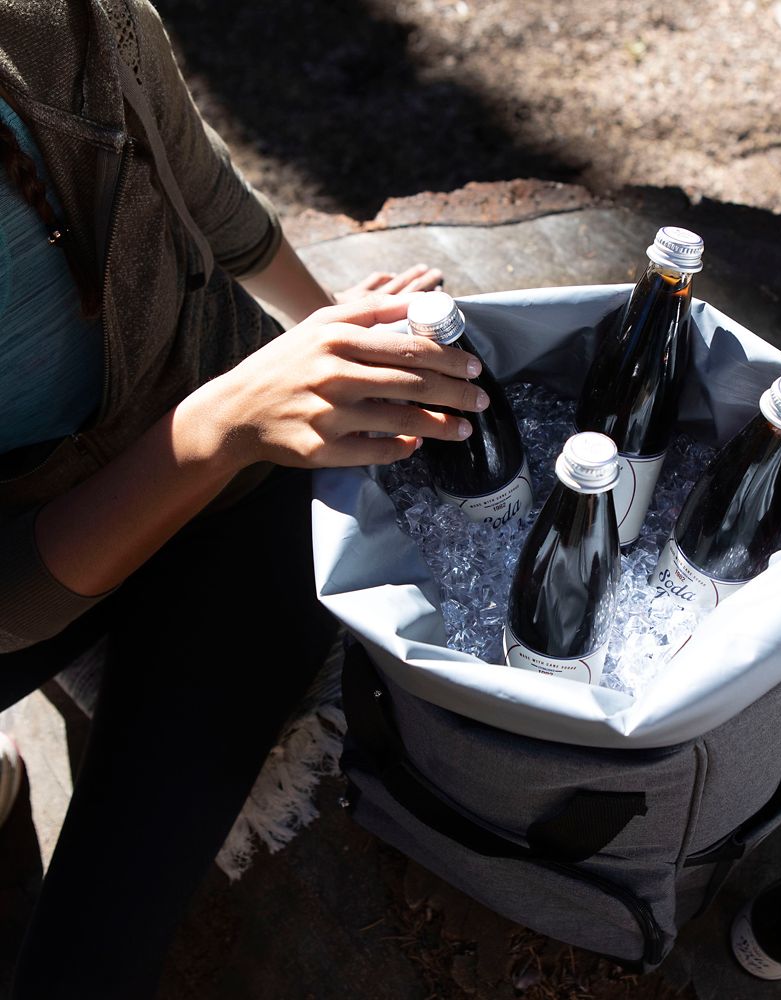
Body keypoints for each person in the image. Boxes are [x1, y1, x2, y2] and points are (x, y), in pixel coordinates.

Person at [0, 1, 488, 995]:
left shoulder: (71, 20)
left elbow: (196, 179)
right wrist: (220, 425)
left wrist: (332, 336)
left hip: (234, 516)